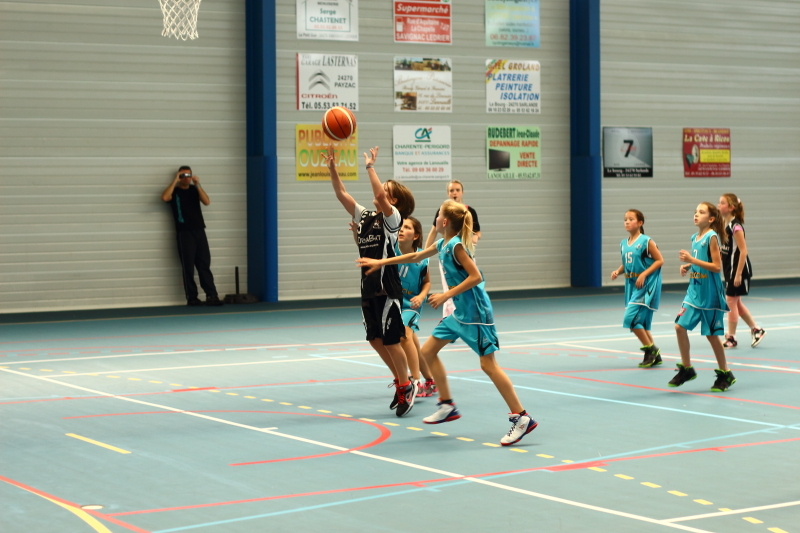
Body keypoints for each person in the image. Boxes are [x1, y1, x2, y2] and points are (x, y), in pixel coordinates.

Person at [357, 200, 537, 446]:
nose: (435, 219)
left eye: (438, 215)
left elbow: (475, 277)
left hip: (476, 314)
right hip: (460, 313)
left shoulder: (457, 246)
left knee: (488, 365)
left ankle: (521, 417)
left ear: (444, 222)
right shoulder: (442, 244)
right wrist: (381, 262)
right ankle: (446, 405)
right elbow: (416, 255)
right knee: (428, 351)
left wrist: (445, 296)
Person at [323, 146, 418, 417]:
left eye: (387, 190)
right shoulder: (365, 217)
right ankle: (402, 381)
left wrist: (370, 167)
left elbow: (378, 195)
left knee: (391, 341)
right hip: (368, 287)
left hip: (387, 288)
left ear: (394, 201)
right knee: (375, 340)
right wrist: (332, 169)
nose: (380, 191)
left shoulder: (393, 220)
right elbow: (342, 194)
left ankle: (406, 385)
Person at [671, 202, 736, 392]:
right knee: (679, 326)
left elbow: (716, 266)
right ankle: (687, 369)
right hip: (694, 292)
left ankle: (725, 373)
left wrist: (691, 260)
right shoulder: (695, 237)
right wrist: (689, 265)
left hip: (710, 295)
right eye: (695, 212)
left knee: (712, 335)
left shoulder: (711, 237)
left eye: (701, 212)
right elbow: (702, 260)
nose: (696, 214)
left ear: (711, 218)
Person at [161, 166, 223, 307]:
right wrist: (175, 181)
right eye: (183, 175)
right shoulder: (175, 191)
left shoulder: (195, 190)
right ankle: (192, 297)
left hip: (199, 231)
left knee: (204, 264)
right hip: (184, 232)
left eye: (189, 175)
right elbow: (165, 197)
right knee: (188, 266)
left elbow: (206, 202)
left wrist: (197, 184)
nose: (186, 178)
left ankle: (211, 295)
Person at [610, 210, 664, 368]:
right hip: (631, 284)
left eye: (631, 219)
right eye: (625, 219)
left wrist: (644, 274)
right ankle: (655, 355)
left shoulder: (646, 241)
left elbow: (660, 260)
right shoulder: (623, 243)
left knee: (631, 320)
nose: (627, 222)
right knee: (641, 323)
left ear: (640, 223)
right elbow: (627, 262)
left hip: (645, 284)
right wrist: (618, 271)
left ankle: (650, 350)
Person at [424, 180, 481, 318]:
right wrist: (425, 254)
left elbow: (477, 231)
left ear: (462, 192)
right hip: (448, 256)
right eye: (451, 190)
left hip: (464, 255)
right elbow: (433, 232)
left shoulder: (469, 211)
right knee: (448, 288)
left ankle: (470, 316)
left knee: (468, 287)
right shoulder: (443, 211)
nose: (454, 193)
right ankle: (449, 318)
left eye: (457, 190)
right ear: (448, 193)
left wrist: (475, 237)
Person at [717, 194, 766, 348]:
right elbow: (726, 249)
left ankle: (731, 337)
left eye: (722, 203)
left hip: (739, 270)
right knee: (736, 302)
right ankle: (756, 329)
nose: (718, 205)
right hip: (729, 270)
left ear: (731, 207)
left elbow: (743, 251)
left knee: (730, 301)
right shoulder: (725, 225)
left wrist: (738, 274)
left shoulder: (736, 226)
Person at [396, 216, 437, 397]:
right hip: (394, 302)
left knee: (404, 336)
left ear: (415, 235)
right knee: (412, 345)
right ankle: (430, 380)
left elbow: (427, 282)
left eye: (407, 227)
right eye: (400, 227)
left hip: (411, 304)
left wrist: (421, 296)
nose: (401, 230)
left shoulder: (422, 258)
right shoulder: (391, 251)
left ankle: (415, 381)